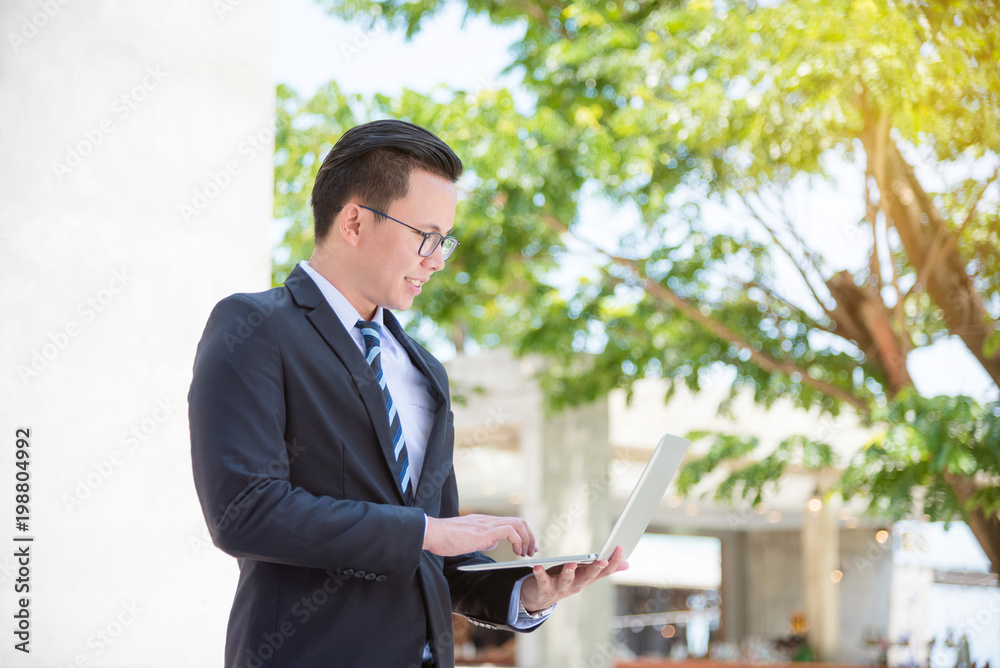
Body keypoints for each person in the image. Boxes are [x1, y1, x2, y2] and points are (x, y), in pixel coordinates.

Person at [189, 119, 627, 668]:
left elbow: (434, 560)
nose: (438, 259)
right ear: (354, 221)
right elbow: (244, 510)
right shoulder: (256, 327)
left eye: (445, 240)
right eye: (426, 236)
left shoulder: (425, 370)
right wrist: (424, 531)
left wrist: (527, 594)